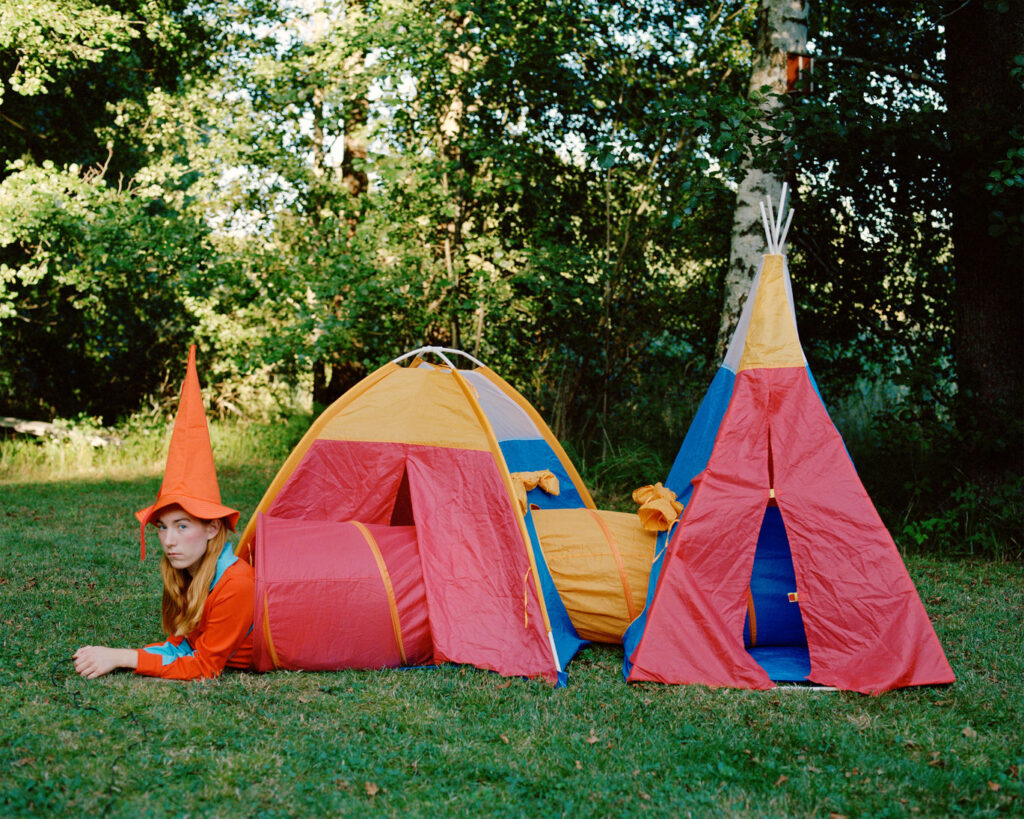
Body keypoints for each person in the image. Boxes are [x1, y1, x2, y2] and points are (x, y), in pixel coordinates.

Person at [73, 346, 254, 680]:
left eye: (183, 526)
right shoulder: (192, 570)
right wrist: (114, 655)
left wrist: (123, 657)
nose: (169, 541)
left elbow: (204, 666)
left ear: (213, 528)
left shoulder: (235, 582)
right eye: (162, 527)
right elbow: (181, 648)